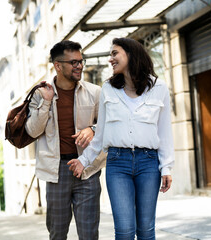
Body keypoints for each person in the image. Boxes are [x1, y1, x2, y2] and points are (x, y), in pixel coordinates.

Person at [68, 37, 175, 240]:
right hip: (118, 163)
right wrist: (84, 160)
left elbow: (164, 131)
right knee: (124, 231)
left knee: (146, 230)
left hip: (148, 163)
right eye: (110, 54)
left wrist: (166, 167)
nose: (110, 59)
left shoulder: (159, 88)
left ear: (131, 54)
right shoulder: (109, 88)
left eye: (115, 53)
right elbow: (101, 134)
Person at [25, 40, 105, 240]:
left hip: (87, 169)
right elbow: (33, 131)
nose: (79, 66)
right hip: (56, 171)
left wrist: (93, 129)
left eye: (81, 61)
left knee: (89, 234)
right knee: (57, 232)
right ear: (58, 66)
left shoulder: (95, 92)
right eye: (73, 62)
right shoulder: (39, 94)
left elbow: (110, 125)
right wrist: (45, 102)